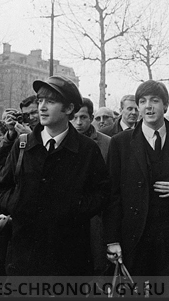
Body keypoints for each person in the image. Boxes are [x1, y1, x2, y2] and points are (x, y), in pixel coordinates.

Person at [0, 75, 111, 276]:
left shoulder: (87, 149)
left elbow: (102, 192)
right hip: (25, 255)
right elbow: (2, 187)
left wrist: (75, 208)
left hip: (70, 257)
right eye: (40, 101)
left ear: (68, 109)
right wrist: (19, 204)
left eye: (51, 101)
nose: (42, 107)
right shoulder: (23, 144)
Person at [103, 80, 169, 297]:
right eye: (142, 101)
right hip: (134, 237)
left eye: (155, 100)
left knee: (167, 292)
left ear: (165, 104)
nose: (148, 107)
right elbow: (112, 195)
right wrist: (113, 240)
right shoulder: (121, 143)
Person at [70, 96, 111, 276]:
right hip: (71, 212)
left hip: (97, 213)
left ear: (91, 117)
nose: (78, 122)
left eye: (83, 117)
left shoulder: (107, 143)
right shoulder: (64, 141)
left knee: (98, 260)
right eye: (75, 117)